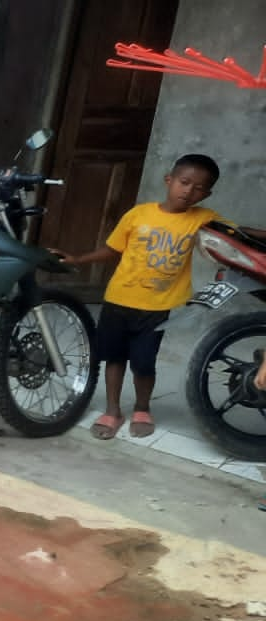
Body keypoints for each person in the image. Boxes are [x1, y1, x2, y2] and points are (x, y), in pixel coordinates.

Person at [52, 154, 236, 441]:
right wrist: (79, 258)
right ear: (169, 180)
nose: (188, 191)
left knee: (144, 363)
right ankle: (112, 410)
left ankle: (142, 407)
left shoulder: (203, 219)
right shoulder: (138, 215)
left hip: (157, 307)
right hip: (118, 301)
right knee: (114, 358)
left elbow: (233, 236)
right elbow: (113, 250)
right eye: (184, 182)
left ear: (207, 194)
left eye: (198, 188)